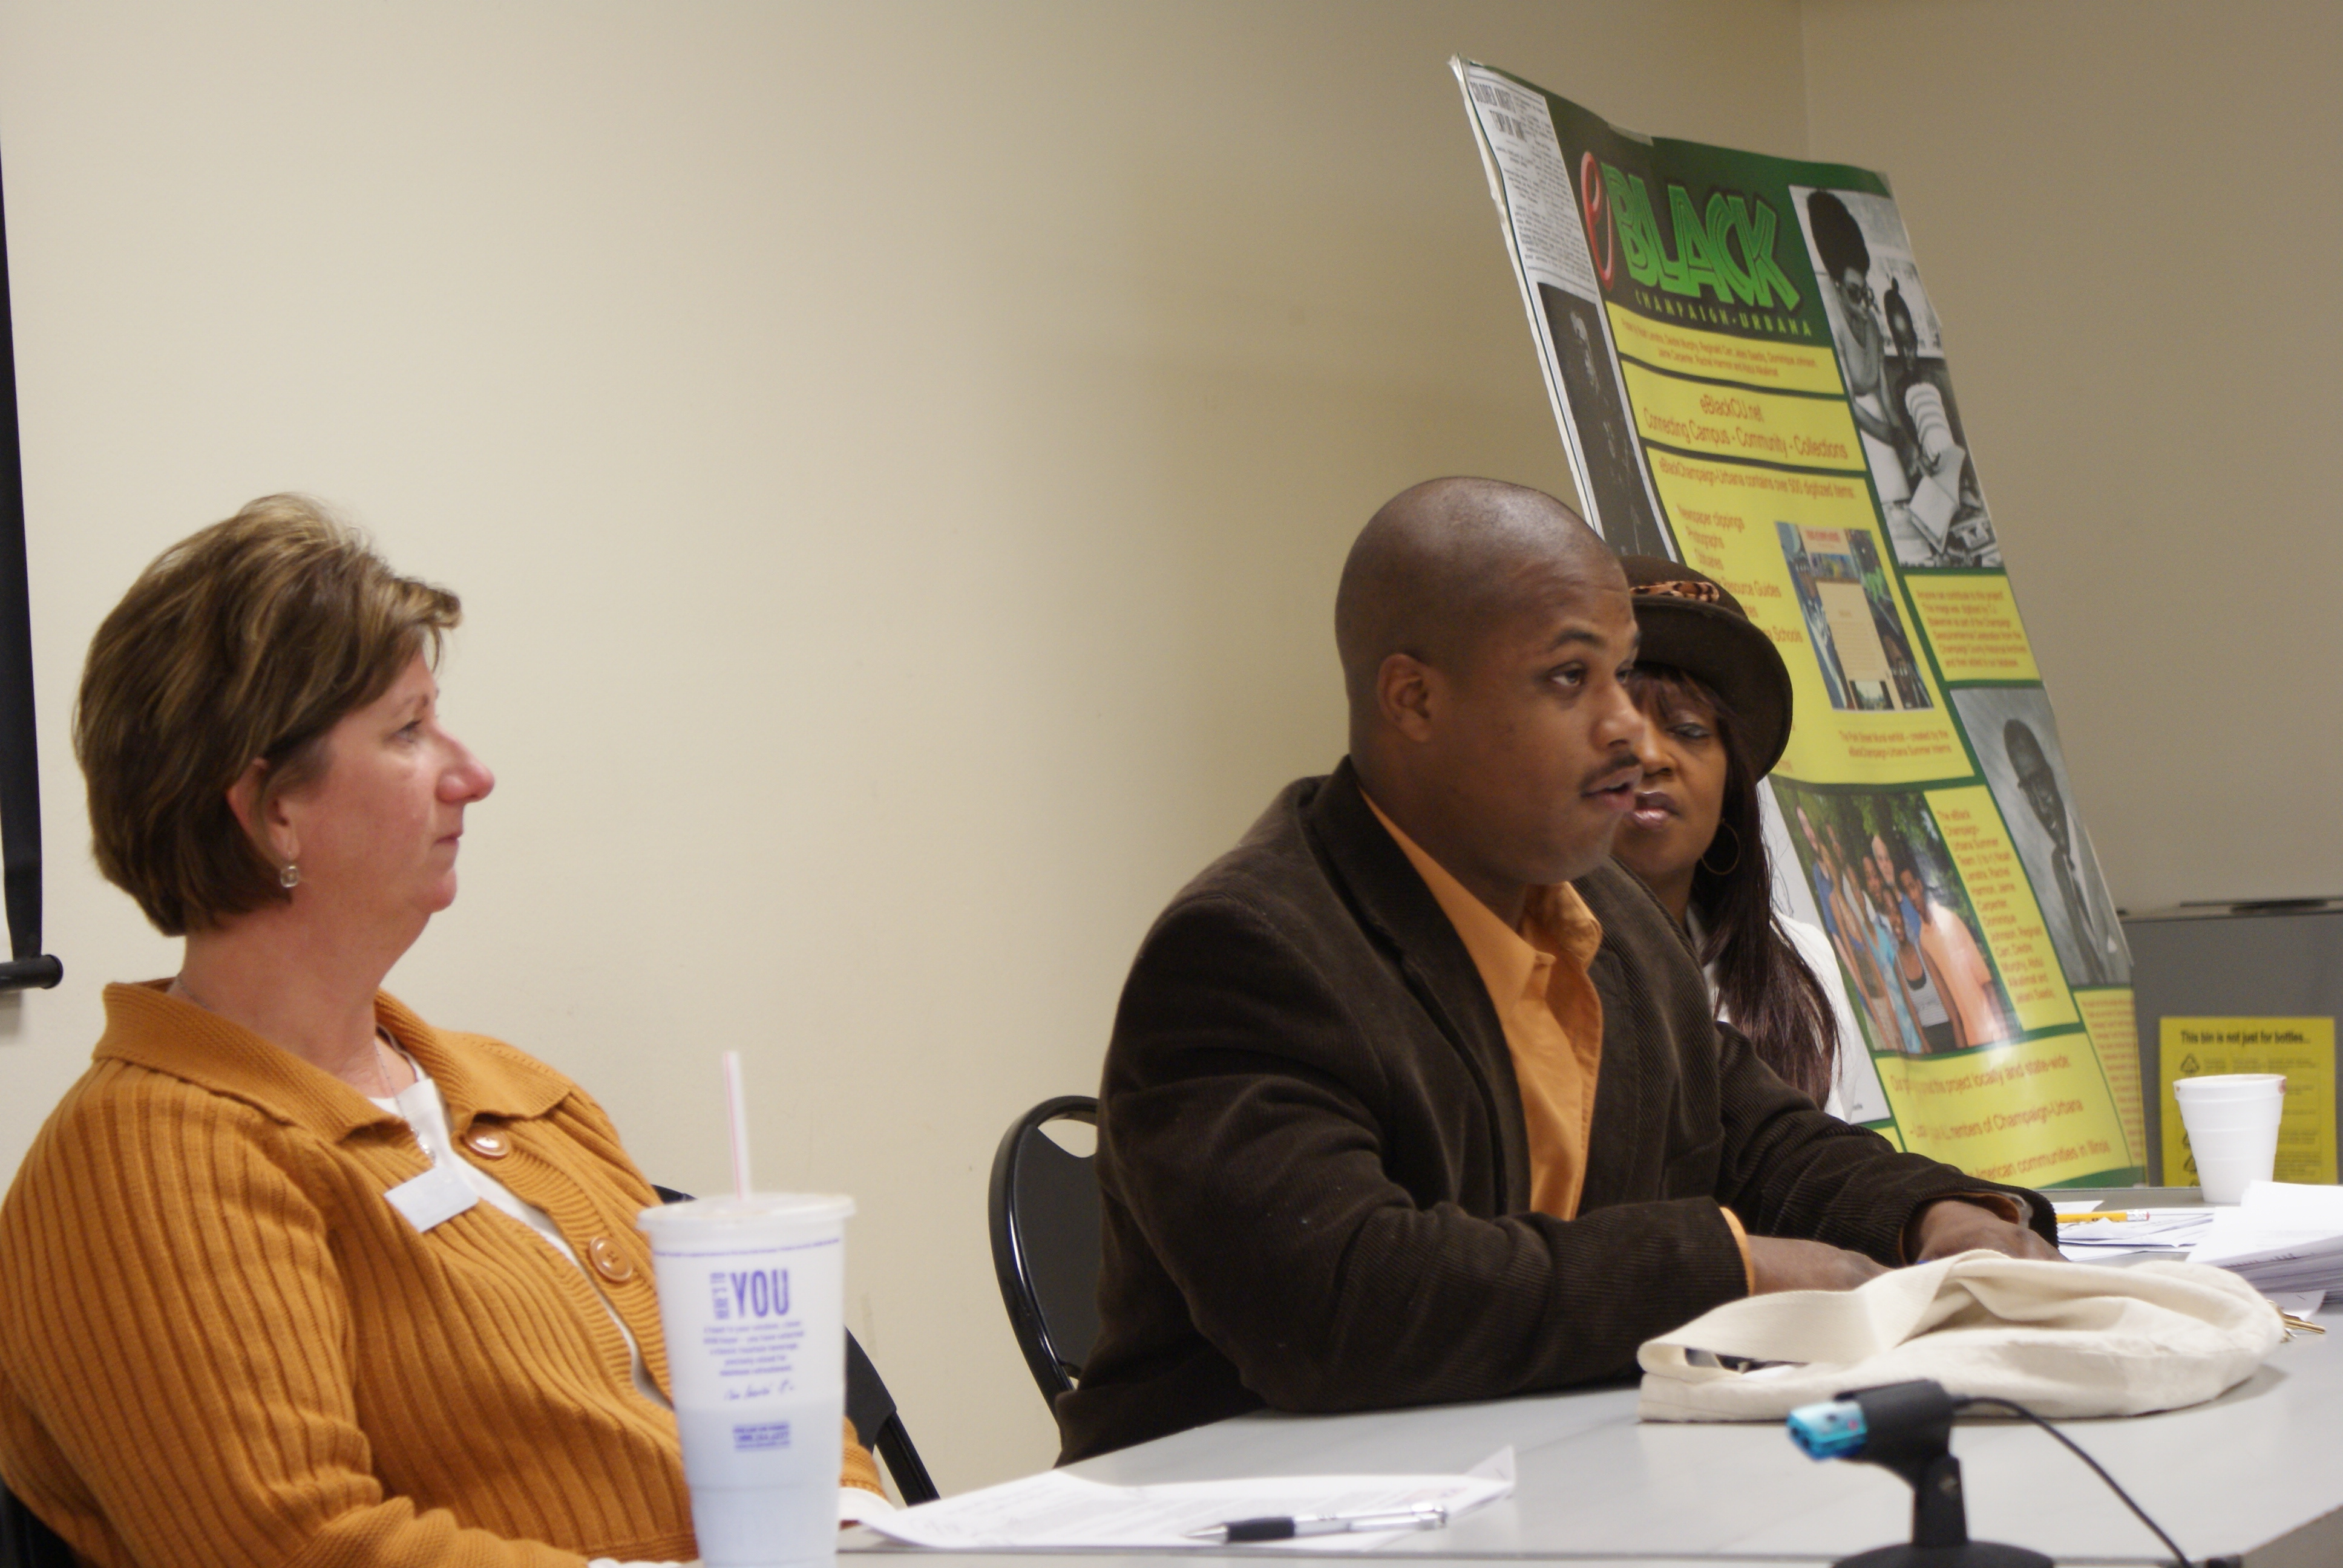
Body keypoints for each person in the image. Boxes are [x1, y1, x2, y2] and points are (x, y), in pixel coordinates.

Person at [1056, 477, 2057, 1462]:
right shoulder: (1249, 949)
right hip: (1252, 1504)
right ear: (1413, 698)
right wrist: (1730, 1270)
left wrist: (1930, 1215)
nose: (1626, 726)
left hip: (1536, 1471)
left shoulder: (1607, 914)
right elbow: (1338, 1302)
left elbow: (1755, 1138)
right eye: (1570, 678)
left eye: (1622, 671)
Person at [0, 497, 885, 1568]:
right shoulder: (146, 1162)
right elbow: (302, 1546)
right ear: (273, 810)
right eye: (409, 731)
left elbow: (768, 1399)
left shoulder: (519, 1093)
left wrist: (859, 1533)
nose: (473, 774)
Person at [1605, 558, 1862, 1114]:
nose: (1650, 757)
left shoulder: (1800, 968)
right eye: (1620, 729)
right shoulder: (1509, 966)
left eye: (1689, 730)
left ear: (1731, 783)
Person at [2005, 719, 2115, 986]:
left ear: (2052, 776)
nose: (2040, 805)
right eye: (2027, 789)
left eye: (2039, 782)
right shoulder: (2059, 865)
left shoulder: (2096, 850)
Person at [1888, 835, 2013, 1050]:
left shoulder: (1950, 920)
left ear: (1920, 885)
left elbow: (1985, 981)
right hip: (1967, 1041)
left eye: (1912, 887)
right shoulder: (1923, 941)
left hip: (1992, 1034)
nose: (1912, 896)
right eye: (1907, 892)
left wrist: (2003, 1034)